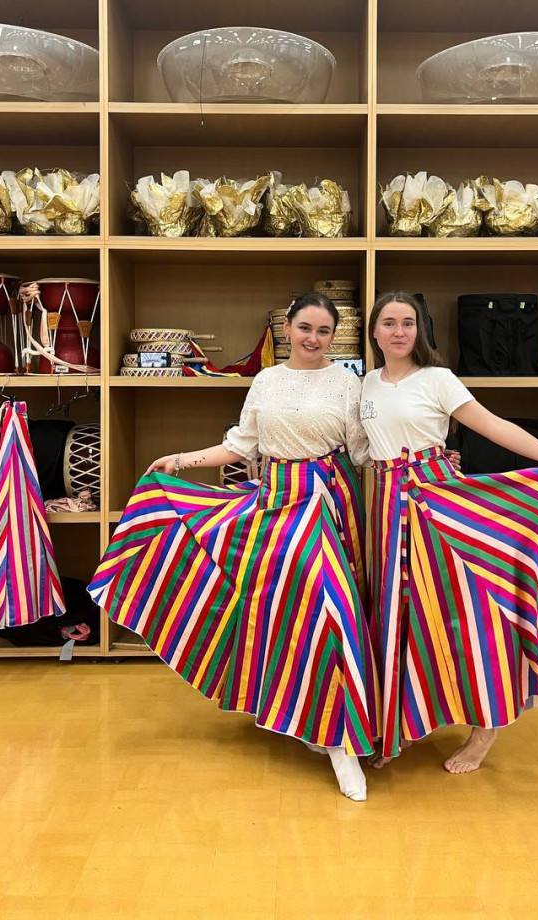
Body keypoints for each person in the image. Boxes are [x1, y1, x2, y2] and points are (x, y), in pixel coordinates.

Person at [88, 292, 380, 801]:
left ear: (334, 337)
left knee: (331, 609)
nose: (313, 338)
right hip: (273, 500)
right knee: (285, 613)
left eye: (323, 331)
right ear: (287, 329)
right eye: (305, 328)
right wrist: (180, 460)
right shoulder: (265, 380)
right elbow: (240, 446)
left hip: (324, 503)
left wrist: (427, 460)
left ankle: (342, 744)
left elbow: (363, 451)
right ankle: (307, 716)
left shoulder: (347, 382)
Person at [359, 291, 538, 774]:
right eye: (389, 322)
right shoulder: (364, 385)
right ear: (374, 331)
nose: (399, 332)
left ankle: (486, 727)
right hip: (385, 511)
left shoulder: (438, 379)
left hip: (436, 506)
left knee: (465, 614)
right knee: (397, 618)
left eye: (408, 322)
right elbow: (359, 447)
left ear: (420, 330)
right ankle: (400, 725)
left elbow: (494, 427)